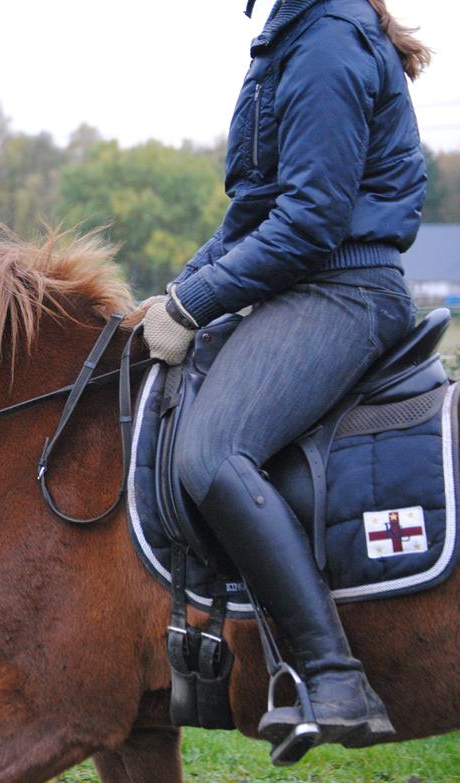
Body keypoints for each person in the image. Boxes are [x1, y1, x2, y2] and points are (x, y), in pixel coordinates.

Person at [142, 0, 431, 754]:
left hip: (343, 291)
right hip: (305, 286)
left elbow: (310, 220)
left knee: (212, 453)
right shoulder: (294, 36)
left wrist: (197, 302)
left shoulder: (327, 42)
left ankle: (334, 676)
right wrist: (180, 293)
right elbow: (254, 211)